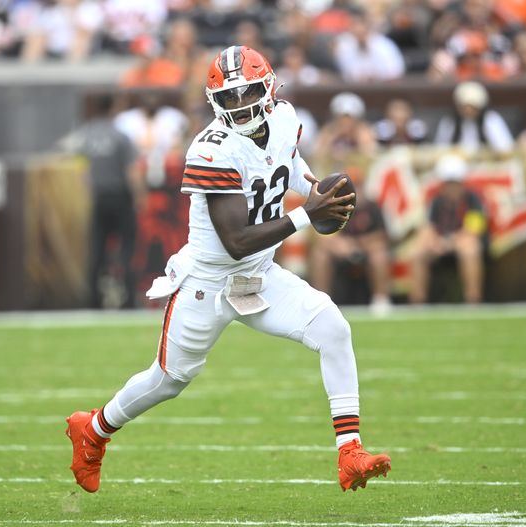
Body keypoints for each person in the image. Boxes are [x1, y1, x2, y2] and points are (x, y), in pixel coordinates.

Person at [65, 46, 391, 494]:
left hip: (260, 274)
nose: (239, 105)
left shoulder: (284, 118)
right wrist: (306, 214)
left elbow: (287, 164)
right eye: (230, 97)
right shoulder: (211, 149)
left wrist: (313, 188)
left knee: (333, 326)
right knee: (168, 380)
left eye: (248, 93)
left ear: (270, 87)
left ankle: (350, 451)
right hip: (208, 283)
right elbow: (236, 241)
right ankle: (94, 431)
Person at [59, 94, 142, 308]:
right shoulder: (121, 136)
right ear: (113, 106)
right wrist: (139, 198)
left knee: (96, 251)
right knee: (127, 250)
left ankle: (93, 301)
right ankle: (128, 300)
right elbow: (132, 171)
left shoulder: (87, 135)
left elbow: (81, 169)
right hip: (120, 196)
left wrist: (89, 190)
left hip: (98, 197)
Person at [309, 169, 392, 316]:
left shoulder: (372, 206)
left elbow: (382, 236)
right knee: (320, 253)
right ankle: (320, 302)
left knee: (379, 252)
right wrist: (340, 244)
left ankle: (381, 299)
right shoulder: (333, 206)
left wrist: (358, 243)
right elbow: (321, 233)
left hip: (367, 250)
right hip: (341, 251)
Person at [408, 154, 487, 304]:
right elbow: (428, 228)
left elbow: (473, 231)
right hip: (441, 244)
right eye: (448, 184)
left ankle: (473, 299)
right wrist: (433, 242)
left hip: (461, 243)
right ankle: (417, 301)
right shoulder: (437, 201)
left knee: (470, 250)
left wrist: (449, 243)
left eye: (455, 183)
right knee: (417, 252)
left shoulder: (473, 200)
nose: (452, 188)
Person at [433, 81, 514, 155]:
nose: (468, 111)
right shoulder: (449, 122)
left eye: (472, 107)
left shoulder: (491, 119)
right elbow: (439, 149)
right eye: (464, 107)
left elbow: (505, 148)